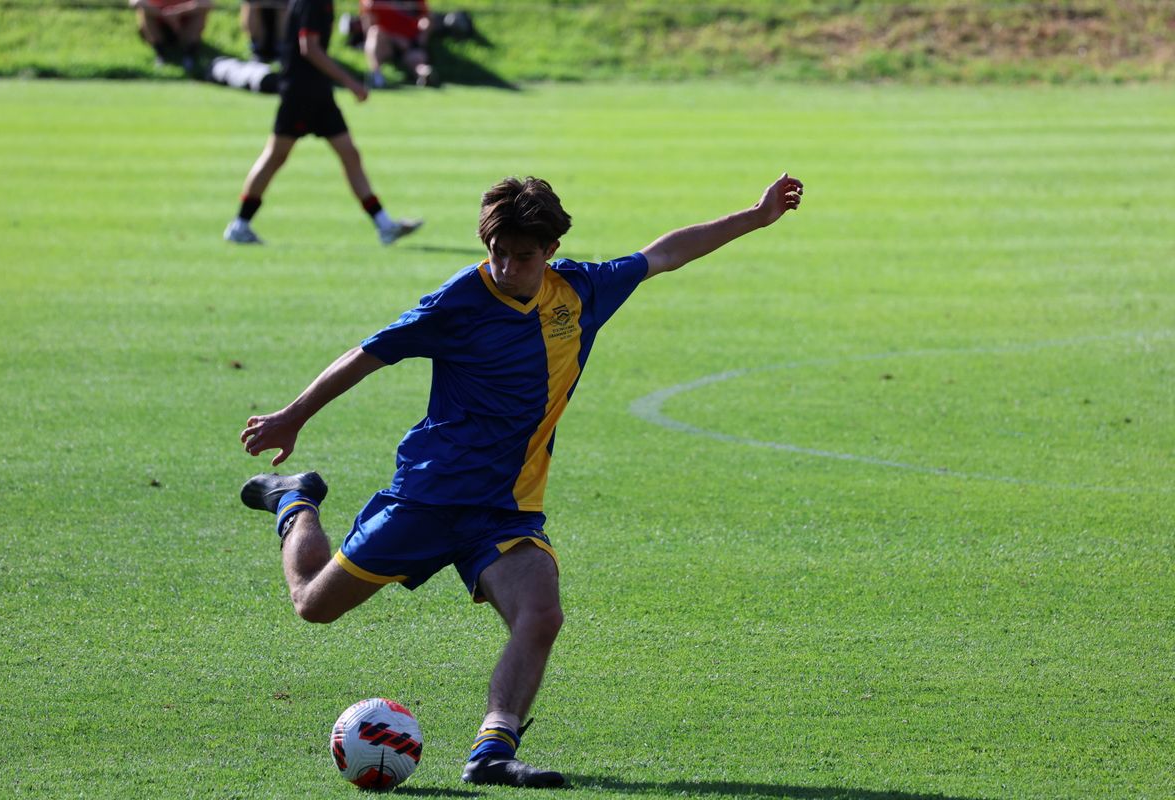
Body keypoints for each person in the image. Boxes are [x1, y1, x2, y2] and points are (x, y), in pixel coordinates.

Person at [238, 173, 804, 786]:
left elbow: (664, 254)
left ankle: (492, 750)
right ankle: (295, 500)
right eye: (497, 252)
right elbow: (369, 354)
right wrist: (293, 416)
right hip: (429, 497)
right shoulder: (459, 301)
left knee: (541, 614)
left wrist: (755, 216)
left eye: (523, 256)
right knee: (313, 605)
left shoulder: (580, 292)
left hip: (505, 510)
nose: (507, 267)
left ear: (550, 250)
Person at [223, 0, 422, 245]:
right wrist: (350, 82)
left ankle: (384, 224)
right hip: (301, 92)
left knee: (349, 154)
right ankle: (240, 224)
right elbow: (309, 47)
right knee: (275, 156)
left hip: (318, 91)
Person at [360, 0, 434, 88]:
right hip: (385, 42)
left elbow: (426, 18)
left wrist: (420, 38)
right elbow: (368, 23)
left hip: (409, 41)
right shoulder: (372, 2)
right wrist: (395, 38)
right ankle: (376, 76)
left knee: (417, 58)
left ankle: (424, 74)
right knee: (374, 32)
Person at [131, 0, 212, 72]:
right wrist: (164, 14)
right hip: (159, 22)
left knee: (200, 13)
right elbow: (136, 2)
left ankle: (189, 53)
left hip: (184, 25)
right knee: (144, 11)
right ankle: (160, 53)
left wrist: (178, 12)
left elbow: (207, 3)